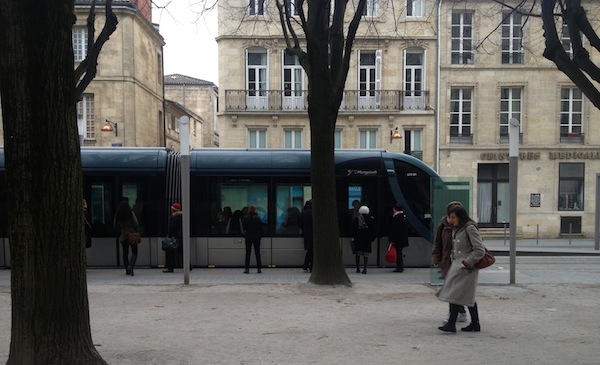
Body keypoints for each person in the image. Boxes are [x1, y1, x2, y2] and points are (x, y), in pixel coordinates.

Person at [436, 205, 485, 333]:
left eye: (453, 217)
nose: (451, 220)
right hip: (459, 265)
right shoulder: (458, 228)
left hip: (466, 266)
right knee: (463, 295)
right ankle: (474, 323)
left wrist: (467, 262)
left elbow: (479, 250)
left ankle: (452, 323)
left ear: (460, 217)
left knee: (456, 294)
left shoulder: (469, 228)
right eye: (450, 217)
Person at [432, 201, 468, 323]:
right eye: (451, 216)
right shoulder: (443, 225)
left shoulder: (465, 226)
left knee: (456, 289)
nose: (452, 219)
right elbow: (438, 241)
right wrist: (436, 256)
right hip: (447, 260)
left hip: (461, 262)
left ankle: (457, 314)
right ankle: (460, 313)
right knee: (452, 288)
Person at [113, 200, 140, 276]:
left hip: (123, 235)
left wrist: (122, 230)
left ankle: (127, 269)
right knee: (134, 252)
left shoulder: (117, 215)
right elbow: (136, 223)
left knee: (125, 253)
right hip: (132, 234)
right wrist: (136, 231)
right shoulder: (131, 213)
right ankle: (131, 266)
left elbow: (115, 226)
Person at [352, 205, 376, 274]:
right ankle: (365, 268)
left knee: (357, 254)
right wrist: (372, 238)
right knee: (366, 254)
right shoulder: (370, 219)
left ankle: (358, 268)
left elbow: (353, 229)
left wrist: (354, 236)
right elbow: (373, 230)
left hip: (358, 238)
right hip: (367, 239)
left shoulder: (357, 219)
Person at [388, 203, 409, 272]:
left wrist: (391, 239)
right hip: (403, 238)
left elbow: (394, 229)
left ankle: (399, 267)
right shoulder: (404, 216)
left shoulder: (396, 217)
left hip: (397, 239)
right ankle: (400, 266)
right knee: (399, 252)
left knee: (398, 253)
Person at [242, 205, 262, 274]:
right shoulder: (257, 218)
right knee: (257, 253)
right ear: (255, 210)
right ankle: (259, 268)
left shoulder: (245, 218)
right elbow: (260, 227)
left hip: (248, 237)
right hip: (256, 237)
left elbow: (244, 228)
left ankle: (247, 269)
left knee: (248, 253)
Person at [164, 202, 183, 273]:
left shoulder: (174, 217)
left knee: (170, 252)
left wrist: (169, 236)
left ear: (173, 210)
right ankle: (188, 266)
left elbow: (172, 228)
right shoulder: (182, 216)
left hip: (175, 237)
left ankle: (170, 268)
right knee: (182, 252)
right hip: (181, 237)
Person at [299, 200, 313, 272]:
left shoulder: (302, 213)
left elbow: (300, 225)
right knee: (312, 251)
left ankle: (306, 265)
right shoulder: (315, 213)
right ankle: (310, 266)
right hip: (314, 234)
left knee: (310, 250)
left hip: (306, 234)